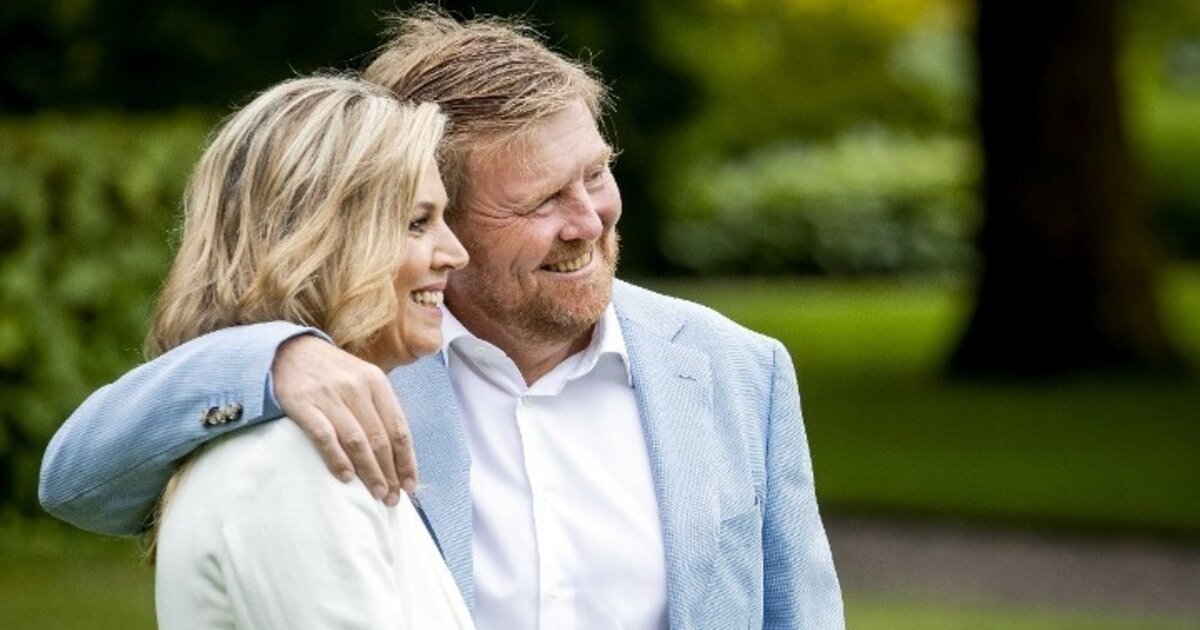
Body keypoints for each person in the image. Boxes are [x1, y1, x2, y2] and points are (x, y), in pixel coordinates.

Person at [40, 8, 844, 629]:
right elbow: (76, 483)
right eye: (540, 201)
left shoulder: (736, 369)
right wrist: (274, 360)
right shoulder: (356, 368)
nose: (589, 220)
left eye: (597, 173)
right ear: (433, 213)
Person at [132, 75, 472, 628]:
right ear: (321, 240)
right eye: (417, 223)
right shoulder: (294, 460)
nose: (455, 254)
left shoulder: (312, 440)